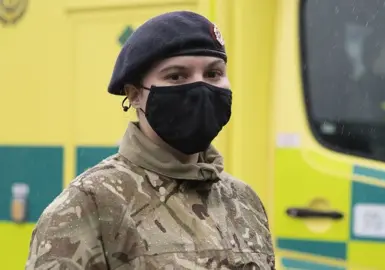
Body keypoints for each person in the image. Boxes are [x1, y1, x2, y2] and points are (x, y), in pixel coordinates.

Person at [25, 11, 275, 270]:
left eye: (213, 74)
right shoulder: (89, 205)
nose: (200, 88)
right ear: (134, 95)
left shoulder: (244, 201)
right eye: (176, 76)